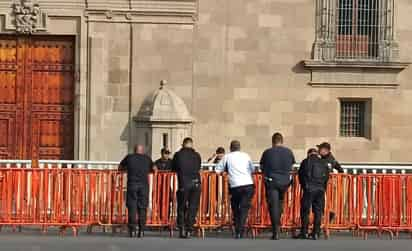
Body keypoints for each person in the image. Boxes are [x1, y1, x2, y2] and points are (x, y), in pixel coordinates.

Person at [215, 140, 255, 239]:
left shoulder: (227, 157)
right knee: (244, 208)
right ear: (239, 147)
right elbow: (252, 169)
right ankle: (240, 230)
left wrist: (225, 173)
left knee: (236, 208)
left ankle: (238, 230)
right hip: (247, 184)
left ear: (230, 148)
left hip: (235, 186)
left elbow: (217, 170)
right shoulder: (246, 155)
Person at [259, 133, 295, 240]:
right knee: (280, 203)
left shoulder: (267, 152)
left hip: (272, 181)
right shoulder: (289, 152)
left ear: (272, 141)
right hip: (284, 182)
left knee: (273, 206)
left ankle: (275, 231)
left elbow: (262, 166)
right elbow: (291, 166)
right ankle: (278, 224)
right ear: (282, 141)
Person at [119, 145, 154, 238]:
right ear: (142, 151)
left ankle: (132, 229)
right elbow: (154, 169)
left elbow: (120, 167)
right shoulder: (147, 158)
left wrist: (127, 169)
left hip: (132, 184)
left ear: (134, 150)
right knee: (142, 208)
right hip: (144, 185)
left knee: (132, 207)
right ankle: (141, 230)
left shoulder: (129, 157)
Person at [295, 148, 329, 240]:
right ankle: (316, 233)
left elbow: (300, 176)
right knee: (318, 211)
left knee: (305, 211)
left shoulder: (305, 162)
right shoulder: (323, 162)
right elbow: (326, 177)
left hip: (309, 188)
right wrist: (323, 188)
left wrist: (304, 186)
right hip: (320, 189)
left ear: (308, 154)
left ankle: (304, 232)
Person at [172, 137, 202, 238]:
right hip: (196, 183)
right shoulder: (197, 155)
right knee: (193, 207)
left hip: (184, 183)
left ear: (183, 144)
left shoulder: (178, 155)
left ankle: (182, 228)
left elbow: (174, 167)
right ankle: (189, 228)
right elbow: (198, 167)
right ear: (191, 144)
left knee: (181, 207)